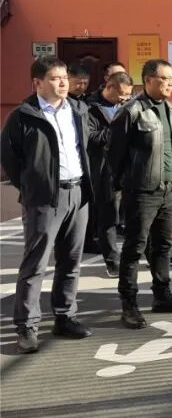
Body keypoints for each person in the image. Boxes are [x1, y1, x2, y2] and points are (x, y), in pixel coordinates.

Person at [1, 56, 95, 354]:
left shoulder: (78, 109)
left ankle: (65, 316)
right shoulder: (23, 116)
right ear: (37, 83)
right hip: (44, 200)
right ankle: (27, 326)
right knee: (36, 263)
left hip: (77, 193)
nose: (63, 83)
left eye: (64, 77)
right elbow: (9, 158)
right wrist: (32, 186)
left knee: (71, 261)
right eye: (55, 78)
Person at [107, 59, 172, 329]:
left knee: (163, 246)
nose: (169, 83)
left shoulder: (170, 108)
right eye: (163, 78)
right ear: (147, 80)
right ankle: (129, 304)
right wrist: (124, 184)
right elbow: (115, 155)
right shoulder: (131, 111)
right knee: (134, 248)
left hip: (168, 190)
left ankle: (162, 294)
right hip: (141, 192)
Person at [86, 71, 133, 277]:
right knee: (109, 218)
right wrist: (117, 130)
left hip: (130, 167)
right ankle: (113, 261)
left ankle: (148, 256)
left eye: (128, 95)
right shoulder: (89, 107)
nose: (124, 99)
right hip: (105, 169)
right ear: (110, 87)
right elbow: (91, 138)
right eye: (122, 94)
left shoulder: (128, 105)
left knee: (138, 216)